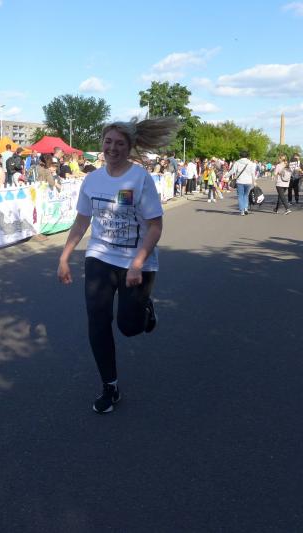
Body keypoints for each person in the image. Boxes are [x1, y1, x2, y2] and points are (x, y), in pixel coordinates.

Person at [57, 116, 177, 414]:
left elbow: (155, 226)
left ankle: (145, 309)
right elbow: (82, 221)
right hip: (100, 256)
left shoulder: (140, 179)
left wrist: (138, 263)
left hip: (137, 262)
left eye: (119, 143)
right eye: (108, 141)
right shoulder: (92, 180)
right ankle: (110, 386)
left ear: (129, 147)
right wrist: (64, 256)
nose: (112, 148)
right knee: (97, 321)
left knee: (129, 327)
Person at [228, 150, 257, 215]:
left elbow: (232, 171)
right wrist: (254, 181)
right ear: (247, 156)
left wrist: (226, 176)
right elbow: (253, 173)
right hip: (248, 182)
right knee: (246, 195)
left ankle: (242, 211)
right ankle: (246, 208)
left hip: (240, 181)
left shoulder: (237, 162)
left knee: (240, 196)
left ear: (240, 156)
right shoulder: (251, 163)